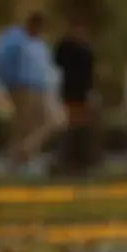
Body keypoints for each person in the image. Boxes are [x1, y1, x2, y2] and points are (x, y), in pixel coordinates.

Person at [0, 12, 56, 175]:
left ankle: (23, 152)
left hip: (39, 87)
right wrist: (8, 83)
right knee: (23, 125)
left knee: (50, 120)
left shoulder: (38, 42)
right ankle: (17, 162)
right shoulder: (15, 40)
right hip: (21, 87)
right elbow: (3, 62)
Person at [52, 15, 96, 175]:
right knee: (69, 124)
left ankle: (80, 159)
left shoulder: (86, 49)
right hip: (69, 92)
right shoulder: (65, 47)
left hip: (82, 93)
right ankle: (67, 159)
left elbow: (89, 73)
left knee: (80, 125)